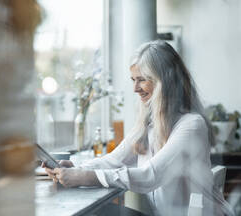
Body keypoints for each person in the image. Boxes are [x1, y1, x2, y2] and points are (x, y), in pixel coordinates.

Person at [43, 40, 234, 216]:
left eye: (142, 79)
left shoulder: (192, 125)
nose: (135, 88)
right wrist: (75, 168)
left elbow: (151, 175)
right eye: (133, 80)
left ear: (164, 82)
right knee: (101, 211)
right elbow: (114, 160)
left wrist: (84, 177)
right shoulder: (150, 123)